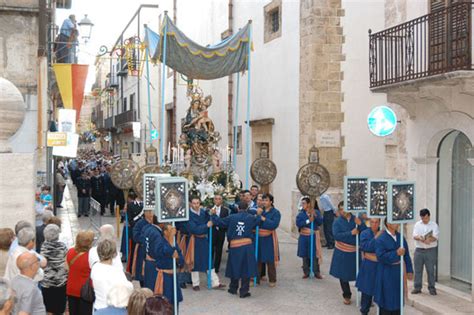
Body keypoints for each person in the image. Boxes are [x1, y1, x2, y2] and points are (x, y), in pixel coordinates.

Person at [211, 201, 263, 298]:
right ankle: (244, 291)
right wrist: (259, 214)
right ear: (247, 209)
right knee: (246, 268)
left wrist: (213, 215)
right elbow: (258, 222)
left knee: (234, 266)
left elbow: (219, 222)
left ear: (238, 208)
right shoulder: (251, 218)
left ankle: (233, 288)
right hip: (247, 246)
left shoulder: (231, 217)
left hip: (235, 246)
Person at [329, 202, 366, 305]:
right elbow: (336, 235)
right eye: (341, 209)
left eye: (344, 209)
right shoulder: (337, 222)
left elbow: (366, 232)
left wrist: (361, 224)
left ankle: (365, 297)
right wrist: (351, 233)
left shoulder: (357, 219)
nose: (343, 211)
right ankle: (347, 295)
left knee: (361, 275)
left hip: (355, 252)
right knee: (343, 275)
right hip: (342, 252)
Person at [375, 218, 413, 315]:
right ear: (388, 223)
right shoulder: (381, 238)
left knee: (398, 298)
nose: (397, 223)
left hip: (399, 273)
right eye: (394, 221)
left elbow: (406, 255)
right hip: (386, 272)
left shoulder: (401, 237)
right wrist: (396, 253)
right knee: (386, 298)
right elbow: (380, 256)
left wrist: (409, 270)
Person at [185, 196, 225, 291]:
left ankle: (215, 282)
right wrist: (206, 226)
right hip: (194, 240)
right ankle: (195, 284)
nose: (196, 205)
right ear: (190, 203)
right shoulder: (188, 215)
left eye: (197, 203)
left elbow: (212, 220)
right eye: (194, 203)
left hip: (204, 240)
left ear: (200, 203)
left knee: (209, 260)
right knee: (195, 261)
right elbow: (194, 229)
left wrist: (212, 214)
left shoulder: (203, 212)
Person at [91, 239, 133, 311]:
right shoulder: (116, 272)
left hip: (98, 306)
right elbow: (127, 290)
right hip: (113, 308)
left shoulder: (95, 267)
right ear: (114, 254)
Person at [153, 224, 184, 309]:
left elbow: (181, 259)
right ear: (165, 232)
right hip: (165, 276)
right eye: (170, 230)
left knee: (175, 300)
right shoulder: (159, 242)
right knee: (165, 300)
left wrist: (178, 258)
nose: (173, 232)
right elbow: (164, 253)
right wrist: (171, 247)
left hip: (174, 275)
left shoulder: (174, 242)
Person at [40, 224, 68, 314]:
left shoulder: (43, 247)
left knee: (48, 308)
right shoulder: (62, 246)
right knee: (59, 309)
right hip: (60, 282)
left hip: (47, 282)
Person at [356, 218, 381, 315]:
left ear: (379, 223)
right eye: (372, 222)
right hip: (369, 266)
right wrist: (375, 238)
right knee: (367, 290)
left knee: (381, 289)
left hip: (380, 265)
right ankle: (364, 311)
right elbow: (365, 247)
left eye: (376, 222)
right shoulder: (365, 233)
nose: (374, 224)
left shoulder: (383, 232)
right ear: (370, 223)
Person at [66, 230, 95, 315]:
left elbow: (67, 268)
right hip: (85, 292)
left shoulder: (70, 251)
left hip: (71, 289)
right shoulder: (91, 255)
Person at [412, 208, 439, 296]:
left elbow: (435, 236)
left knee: (430, 270)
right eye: (423, 218)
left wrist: (429, 240)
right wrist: (421, 238)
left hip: (430, 250)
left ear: (429, 216)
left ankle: (432, 288)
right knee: (418, 270)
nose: (425, 220)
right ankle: (417, 287)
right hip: (419, 250)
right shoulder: (417, 224)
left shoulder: (434, 225)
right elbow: (415, 235)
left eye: (426, 218)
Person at [256, 194, 281, 287]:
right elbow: (255, 223)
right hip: (259, 238)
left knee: (270, 260)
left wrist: (263, 219)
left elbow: (273, 225)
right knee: (257, 258)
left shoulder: (276, 212)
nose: (264, 202)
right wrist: (259, 216)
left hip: (269, 238)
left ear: (271, 202)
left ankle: (272, 279)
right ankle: (256, 279)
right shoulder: (259, 211)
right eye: (263, 200)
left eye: (266, 200)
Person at [296, 197, 323, 279]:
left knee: (314, 254)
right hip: (304, 236)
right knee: (305, 254)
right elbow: (299, 224)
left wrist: (315, 215)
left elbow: (320, 222)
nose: (302, 205)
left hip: (313, 236)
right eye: (302, 203)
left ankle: (316, 271)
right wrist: (308, 221)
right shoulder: (301, 214)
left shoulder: (316, 212)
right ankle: (306, 271)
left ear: (308, 204)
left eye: (304, 203)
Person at [132, 210, 155, 286]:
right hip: (142, 250)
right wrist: (145, 239)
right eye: (149, 211)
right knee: (142, 270)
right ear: (145, 213)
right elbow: (135, 235)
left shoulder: (155, 222)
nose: (151, 213)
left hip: (153, 250)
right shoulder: (140, 223)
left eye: (152, 211)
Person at [121, 191, 143, 269]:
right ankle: (131, 268)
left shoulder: (145, 205)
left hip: (143, 231)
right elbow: (130, 220)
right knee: (133, 250)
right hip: (135, 230)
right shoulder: (130, 205)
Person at [210, 194, 230, 273]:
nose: (217, 200)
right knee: (211, 250)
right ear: (213, 200)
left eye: (219, 199)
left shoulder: (225, 210)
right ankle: (210, 266)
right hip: (212, 232)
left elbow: (226, 221)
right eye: (216, 199)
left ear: (221, 200)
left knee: (219, 250)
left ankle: (216, 267)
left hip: (221, 233)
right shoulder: (210, 209)